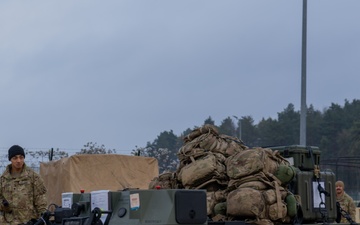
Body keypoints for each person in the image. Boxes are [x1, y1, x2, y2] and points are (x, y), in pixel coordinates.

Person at [0, 145, 48, 225]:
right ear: (10, 159)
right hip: (7, 221)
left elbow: (40, 198)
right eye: (15, 158)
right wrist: (4, 205)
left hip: (28, 221)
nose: (18, 160)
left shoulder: (33, 177)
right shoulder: (3, 179)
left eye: (21, 157)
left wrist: (43, 216)